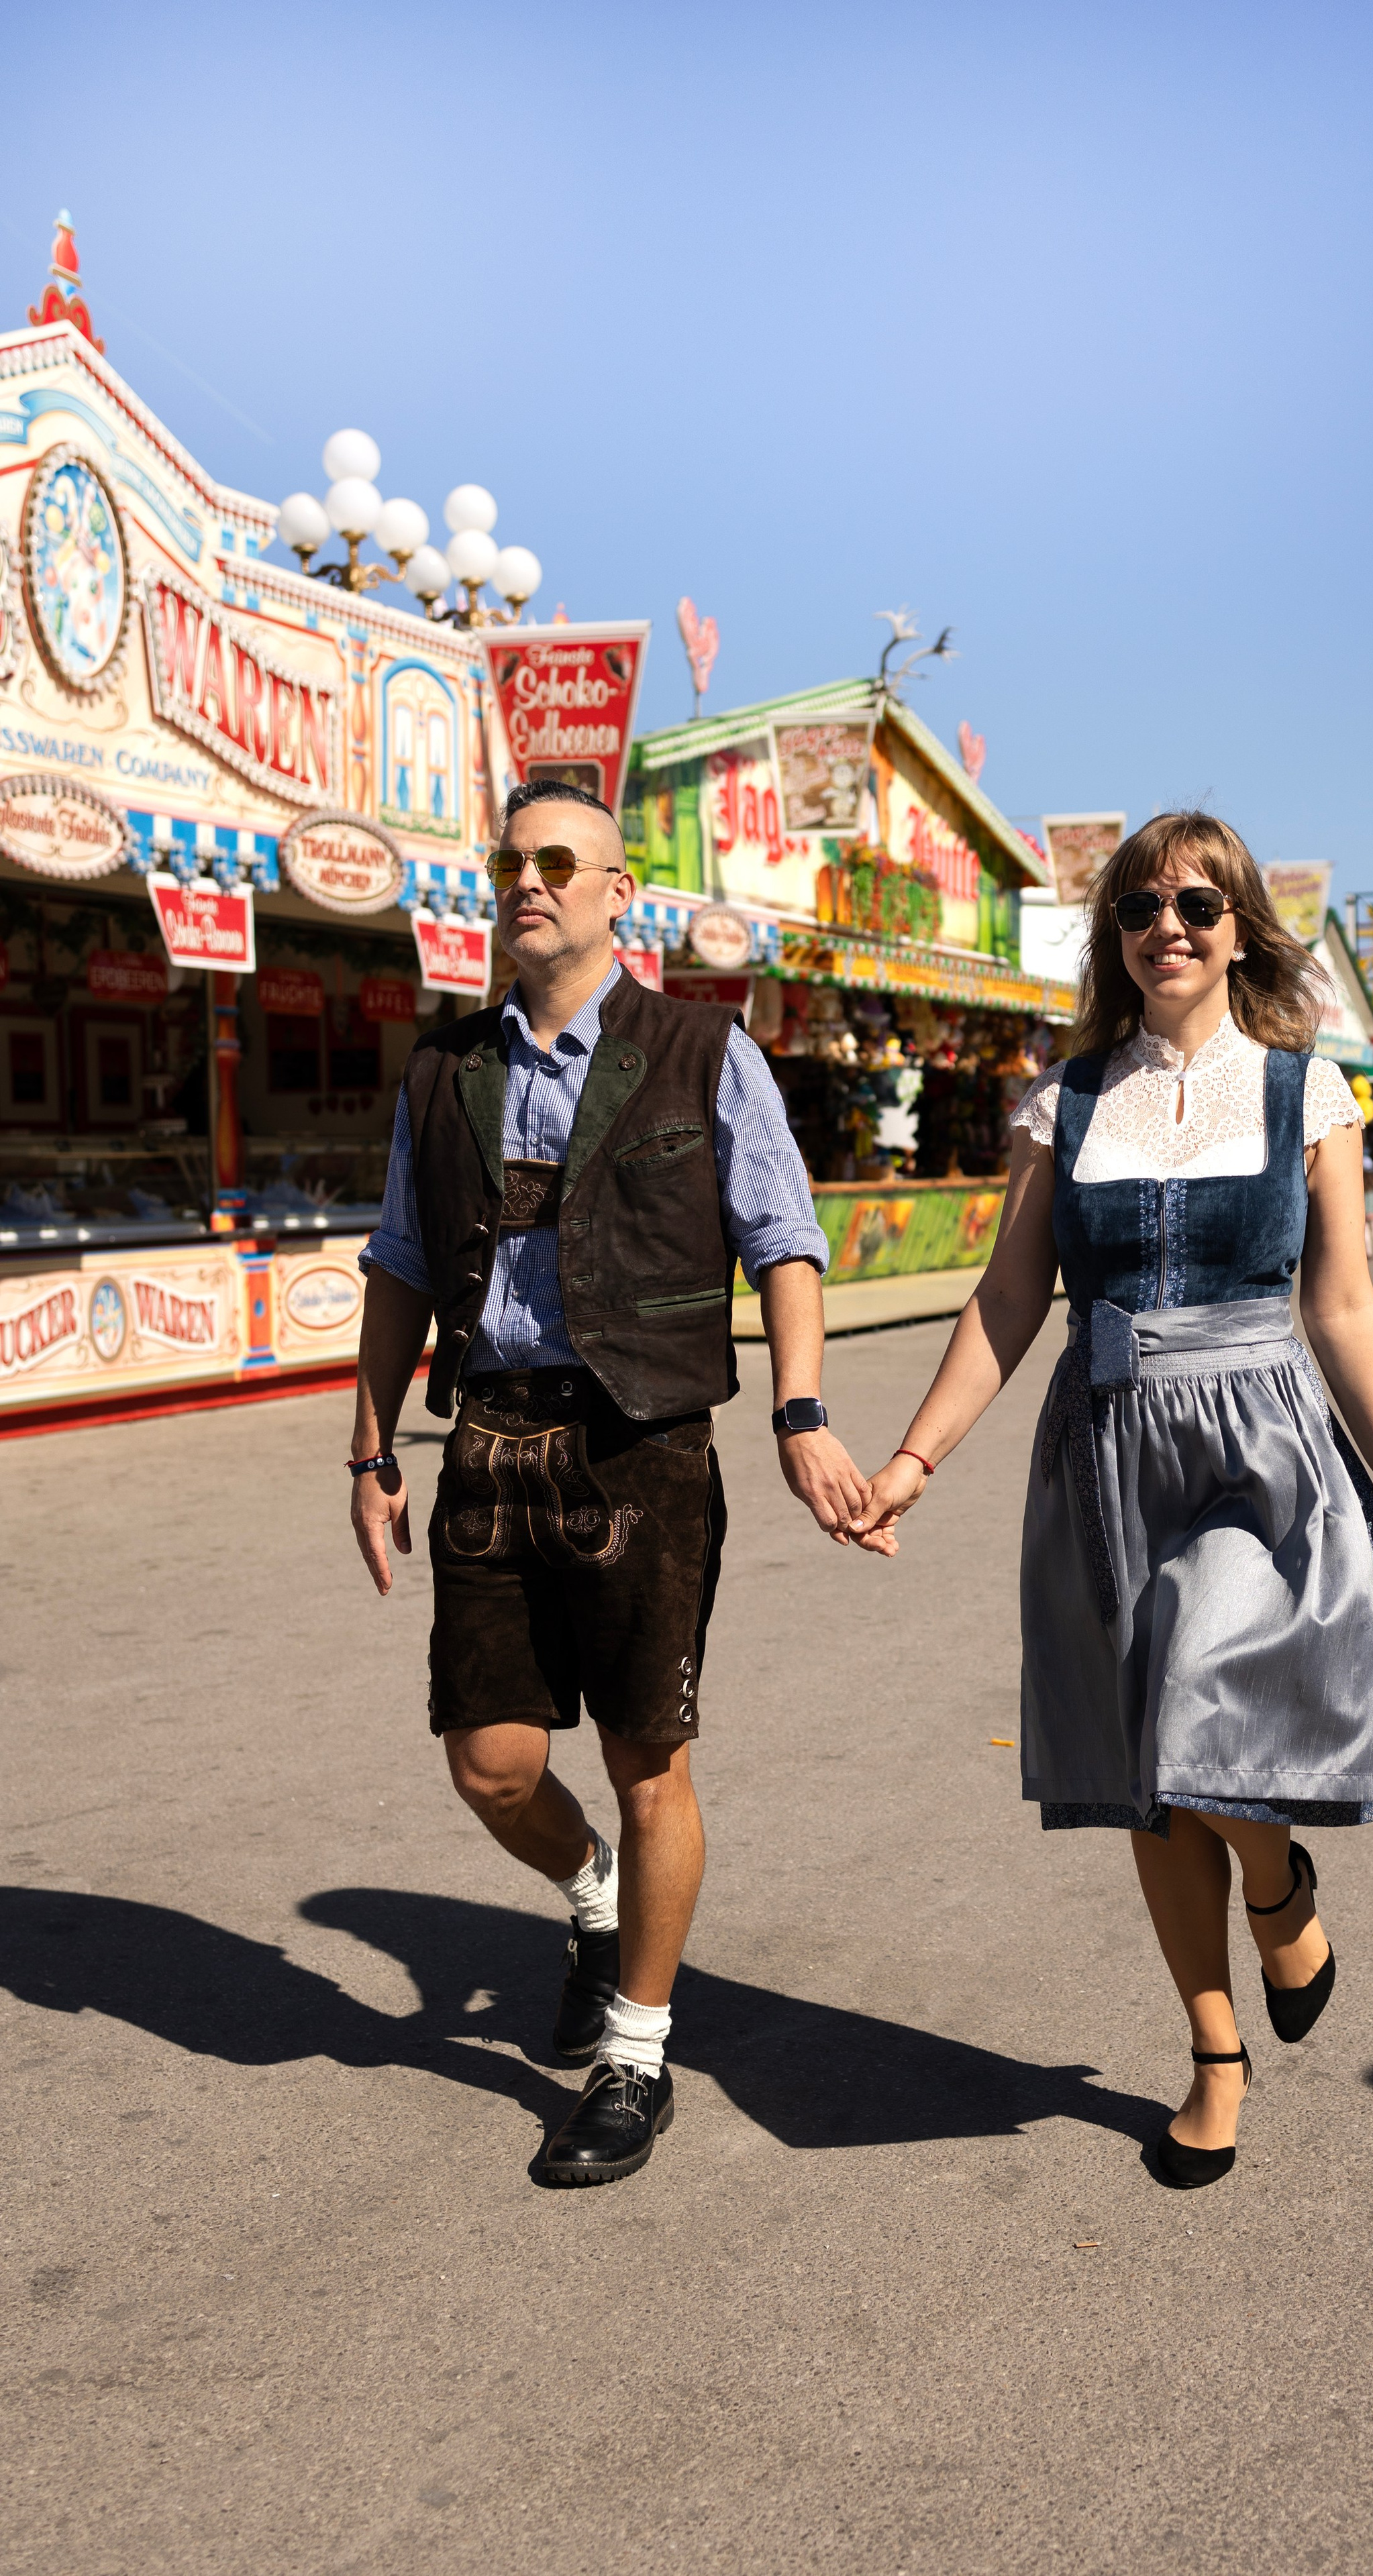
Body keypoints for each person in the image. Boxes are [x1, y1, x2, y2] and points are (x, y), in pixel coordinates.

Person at [849, 812, 1373, 2192]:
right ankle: (1210, 2056)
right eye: (1136, 907)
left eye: (1194, 902)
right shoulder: (1059, 1101)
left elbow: (1341, 1303)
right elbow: (1009, 1298)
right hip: (1105, 1444)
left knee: (1201, 1673)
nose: (1163, 926)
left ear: (1240, 926)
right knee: (1145, 1779)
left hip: (1256, 1440)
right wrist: (909, 1463)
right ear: (1112, 938)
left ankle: (1275, 1885)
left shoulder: (1307, 1091)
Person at [348, 779, 870, 2186]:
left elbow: (785, 1241)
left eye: (557, 860)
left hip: (644, 1441)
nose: (529, 881)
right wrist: (367, 1446)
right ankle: (587, 1900)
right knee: (490, 1758)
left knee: (650, 1761)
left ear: (613, 888)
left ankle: (637, 2055)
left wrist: (801, 1412)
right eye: (510, 862)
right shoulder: (443, 1070)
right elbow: (398, 1265)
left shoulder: (700, 1050)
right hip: (488, 1439)